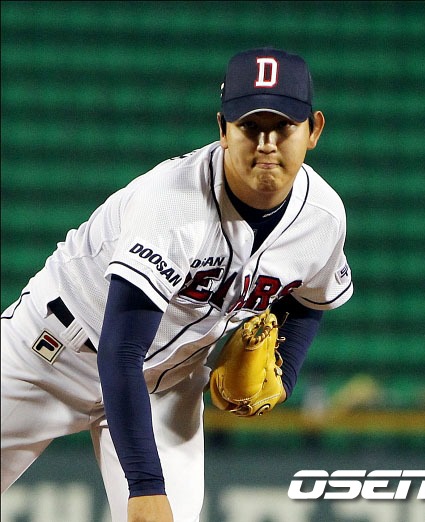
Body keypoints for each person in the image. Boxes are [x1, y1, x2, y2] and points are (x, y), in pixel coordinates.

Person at [1, 47, 353, 522]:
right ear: (223, 130)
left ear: (314, 130)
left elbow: (311, 300)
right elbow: (120, 351)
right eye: (250, 126)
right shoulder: (171, 203)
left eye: (284, 126)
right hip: (49, 355)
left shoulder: (322, 219)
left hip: (166, 385)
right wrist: (145, 486)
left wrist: (284, 377)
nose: (266, 143)